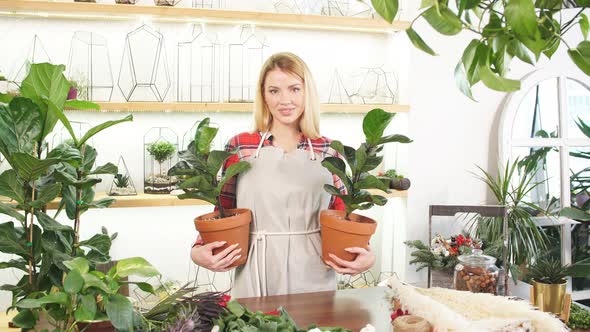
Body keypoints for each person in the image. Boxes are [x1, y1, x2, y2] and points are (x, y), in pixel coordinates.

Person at [190, 52, 375, 297]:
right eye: (274, 91)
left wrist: (366, 256)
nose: (285, 100)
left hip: (314, 273)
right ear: (263, 97)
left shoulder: (329, 149)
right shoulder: (240, 146)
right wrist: (198, 249)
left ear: (307, 93)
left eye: (294, 89)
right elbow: (222, 211)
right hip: (257, 273)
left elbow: (343, 216)